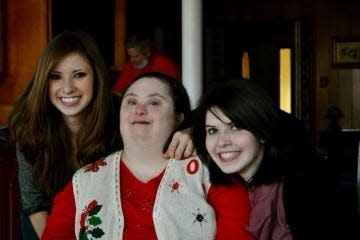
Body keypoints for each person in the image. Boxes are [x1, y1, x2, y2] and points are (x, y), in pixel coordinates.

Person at [7, 32, 193, 239]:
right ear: (44, 80)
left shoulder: (120, 112)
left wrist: (189, 131)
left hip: (109, 214)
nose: (67, 88)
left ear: (96, 75)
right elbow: (34, 204)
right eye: (55, 76)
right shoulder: (29, 121)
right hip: (47, 217)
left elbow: (172, 121)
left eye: (79, 75)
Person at [41, 72, 254, 240]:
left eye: (154, 103)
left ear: (179, 118)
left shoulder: (210, 173)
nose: (139, 110)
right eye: (131, 102)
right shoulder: (85, 182)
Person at [192, 79, 333, 240]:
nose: (222, 142)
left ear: (261, 133)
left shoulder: (303, 185)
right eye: (212, 131)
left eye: (236, 127)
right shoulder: (216, 188)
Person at [112, 31, 180, 94]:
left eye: (136, 56)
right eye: (130, 56)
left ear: (148, 53)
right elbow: (117, 92)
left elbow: (174, 93)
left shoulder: (166, 65)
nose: (132, 60)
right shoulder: (129, 66)